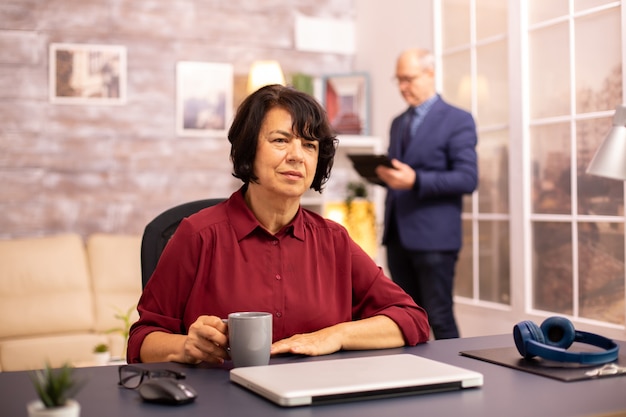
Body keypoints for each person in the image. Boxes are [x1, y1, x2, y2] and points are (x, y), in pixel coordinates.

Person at [127, 84, 430, 365]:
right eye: (280, 140)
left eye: (309, 145)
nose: (297, 156)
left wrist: (336, 335)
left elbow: (411, 319)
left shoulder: (334, 239)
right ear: (249, 150)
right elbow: (142, 341)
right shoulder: (197, 235)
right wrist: (185, 347)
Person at [375, 48, 478, 340]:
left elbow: (467, 178)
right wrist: (382, 175)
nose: (403, 87)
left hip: (434, 240)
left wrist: (416, 180)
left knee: (440, 317)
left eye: (408, 79)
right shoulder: (398, 122)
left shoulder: (458, 119)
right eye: (399, 80)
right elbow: (401, 175)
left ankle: (459, 378)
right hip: (398, 236)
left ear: (430, 73)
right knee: (407, 318)